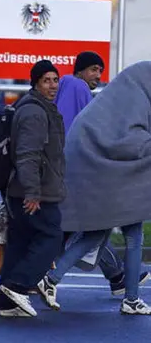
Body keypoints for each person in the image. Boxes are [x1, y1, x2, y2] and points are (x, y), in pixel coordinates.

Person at [37, 52, 149, 310]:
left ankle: (51, 279)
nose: (97, 76)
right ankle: (130, 298)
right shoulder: (83, 89)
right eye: (93, 69)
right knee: (132, 237)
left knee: (96, 233)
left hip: (98, 175)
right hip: (114, 177)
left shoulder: (115, 98)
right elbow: (130, 141)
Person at [0, 60, 65, 318]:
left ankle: (6, 303)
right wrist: (33, 192)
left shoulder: (39, 107)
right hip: (35, 193)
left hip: (22, 191)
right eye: (46, 80)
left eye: (55, 80)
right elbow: (28, 155)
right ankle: (18, 286)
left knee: (19, 245)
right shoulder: (35, 112)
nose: (52, 85)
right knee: (52, 237)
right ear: (35, 82)